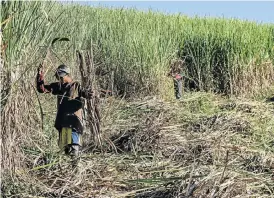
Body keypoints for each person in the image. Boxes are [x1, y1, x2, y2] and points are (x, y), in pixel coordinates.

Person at [36, 64, 93, 156]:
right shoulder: (58, 86)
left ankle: (76, 164)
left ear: (67, 75)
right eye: (58, 77)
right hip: (63, 120)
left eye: (62, 77)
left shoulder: (76, 85)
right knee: (66, 148)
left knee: (74, 146)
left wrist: (89, 93)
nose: (60, 79)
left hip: (74, 120)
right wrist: (40, 74)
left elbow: (85, 93)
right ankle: (69, 165)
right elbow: (42, 89)